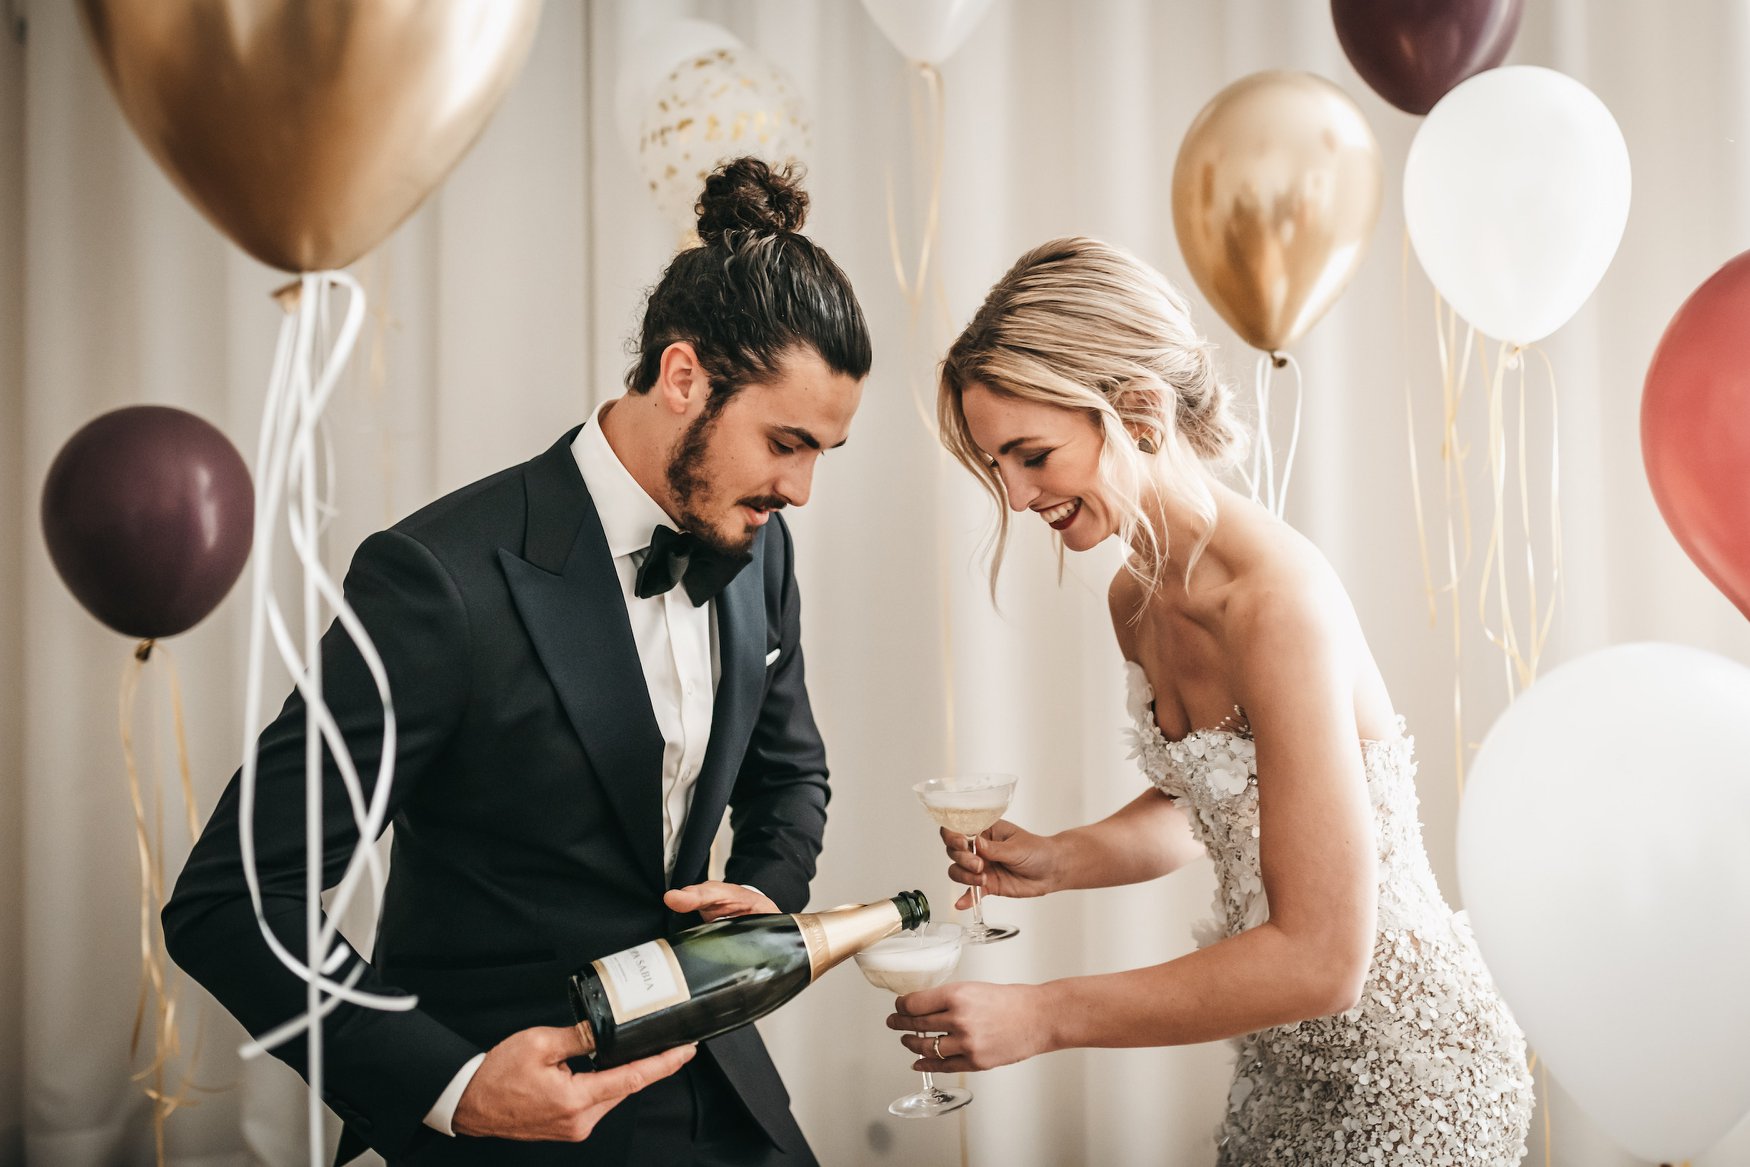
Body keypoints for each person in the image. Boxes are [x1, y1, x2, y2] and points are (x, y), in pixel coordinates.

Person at [163, 158, 869, 1166]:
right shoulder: (437, 581)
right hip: (510, 1123)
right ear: (682, 378)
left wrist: (760, 897)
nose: (799, 490)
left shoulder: (757, 543)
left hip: (728, 1099)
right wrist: (449, 1085)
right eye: (785, 442)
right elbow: (232, 900)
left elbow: (791, 773)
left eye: (820, 454)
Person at [896, 237, 1533, 1163]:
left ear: (1141, 412)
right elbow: (1220, 802)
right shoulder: (1134, 597)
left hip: (1415, 1076)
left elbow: (1322, 959)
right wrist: (1061, 857)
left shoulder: (1276, 605)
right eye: (997, 463)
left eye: (1032, 455)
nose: (1017, 494)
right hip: (1284, 1062)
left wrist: (1045, 1013)